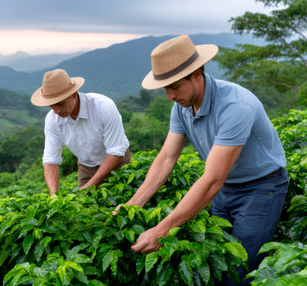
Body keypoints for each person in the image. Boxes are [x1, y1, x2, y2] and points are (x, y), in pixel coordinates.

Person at [116, 35, 288, 285]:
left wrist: (162, 229)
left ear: (196, 74)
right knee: (218, 260)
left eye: (174, 86)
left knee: (240, 271)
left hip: (261, 189)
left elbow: (212, 179)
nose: (169, 96)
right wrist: (134, 203)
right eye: (165, 88)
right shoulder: (181, 106)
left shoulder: (235, 106)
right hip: (226, 189)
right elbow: (167, 157)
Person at [31, 68, 130, 195]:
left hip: (117, 162)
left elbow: (116, 151)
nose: (56, 111)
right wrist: (53, 195)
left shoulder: (103, 107)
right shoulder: (52, 119)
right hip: (87, 166)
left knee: (122, 202)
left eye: (60, 104)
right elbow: (51, 159)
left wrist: (90, 186)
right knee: (86, 208)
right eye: (52, 106)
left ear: (73, 94)